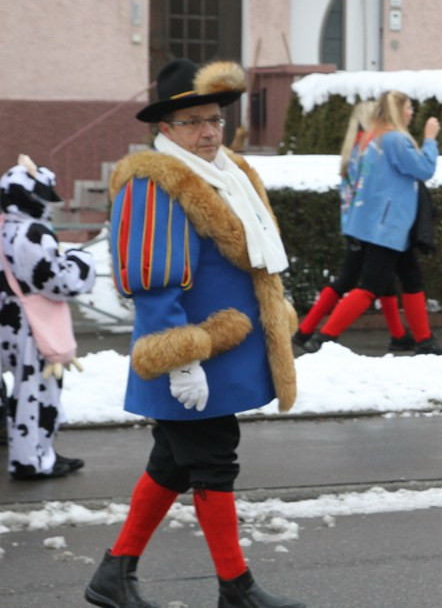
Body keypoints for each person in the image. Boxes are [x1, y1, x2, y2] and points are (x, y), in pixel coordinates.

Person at [85, 58, 305, 608]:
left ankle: (113, 576)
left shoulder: (227, 172)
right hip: (194, 356)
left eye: (214, 120)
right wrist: (181, 359)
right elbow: (152, 280)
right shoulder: (154, 180)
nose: (208, 131)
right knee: (212, 461)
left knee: (173, 462)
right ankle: (237, 589)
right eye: (193, 122)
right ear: (166, 128)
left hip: (223, 355)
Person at [293, 90, 442, 355]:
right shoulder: (395, 139)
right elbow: (423, 169)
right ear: (398, 111)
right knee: (370, 287)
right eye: (409, 107)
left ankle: (423, 341)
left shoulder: (372, 139)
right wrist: (430, 139)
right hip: (387, 227)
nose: (412, 112)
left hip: (372, 224)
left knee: (411, 280)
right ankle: (325, 337)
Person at [0, 156, 95, 480]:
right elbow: (59, 282)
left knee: (26, 387)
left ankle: (40, 453)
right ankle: (33, 459)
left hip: (5, 316)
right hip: (29, 323)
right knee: (36, 390)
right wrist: (81, 259)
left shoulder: (3, 225)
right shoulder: (33, 232)